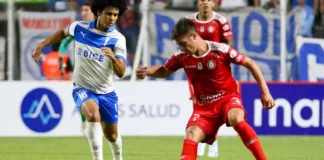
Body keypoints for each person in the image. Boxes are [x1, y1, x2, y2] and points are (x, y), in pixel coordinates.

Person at [136, 18, 275, 160]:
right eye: (179, 45)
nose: (182, 48)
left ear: (194, 36)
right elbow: (164, 70)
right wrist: (147, 71)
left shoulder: (220, 50)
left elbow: (250, 63)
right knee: (191, 134)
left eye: (183, 44)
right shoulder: (181, 56)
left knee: (236, 118)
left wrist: (265, 92)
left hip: (227, 98)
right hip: (204, 108)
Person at [32, 0, 128, 160]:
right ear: (99, 12)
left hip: (107, 93)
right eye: (109, 14)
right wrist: (43, 44)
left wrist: (112, 58)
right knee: (92, 115)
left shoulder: (117, 39)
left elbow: (121, 72)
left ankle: (118, 157)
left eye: (115, 15)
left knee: (111, 136)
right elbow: (63, 33)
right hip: (82, 88)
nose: (112, 18)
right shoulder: (79, 27)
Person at [186, 0, 234, 157]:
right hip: (195, 70)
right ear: (197, 3)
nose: (205, 2)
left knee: (216, 106)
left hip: (215, 71)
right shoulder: (189, 21)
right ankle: (201, 141)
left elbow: (229, 44)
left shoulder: (220, 20)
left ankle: (213, 143)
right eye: (201, 0)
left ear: (214, 3)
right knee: (197, 104)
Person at [58, 1, 95, 134]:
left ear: (94, 12)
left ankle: (96, 123)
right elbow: (64, 43)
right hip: (80, 70)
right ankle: (84, 121)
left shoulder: (103, 27)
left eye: (86, 10)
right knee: (82, 97)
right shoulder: (77, 28)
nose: (83, 13)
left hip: (100, 69)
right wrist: (61, 58)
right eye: (82, 10)